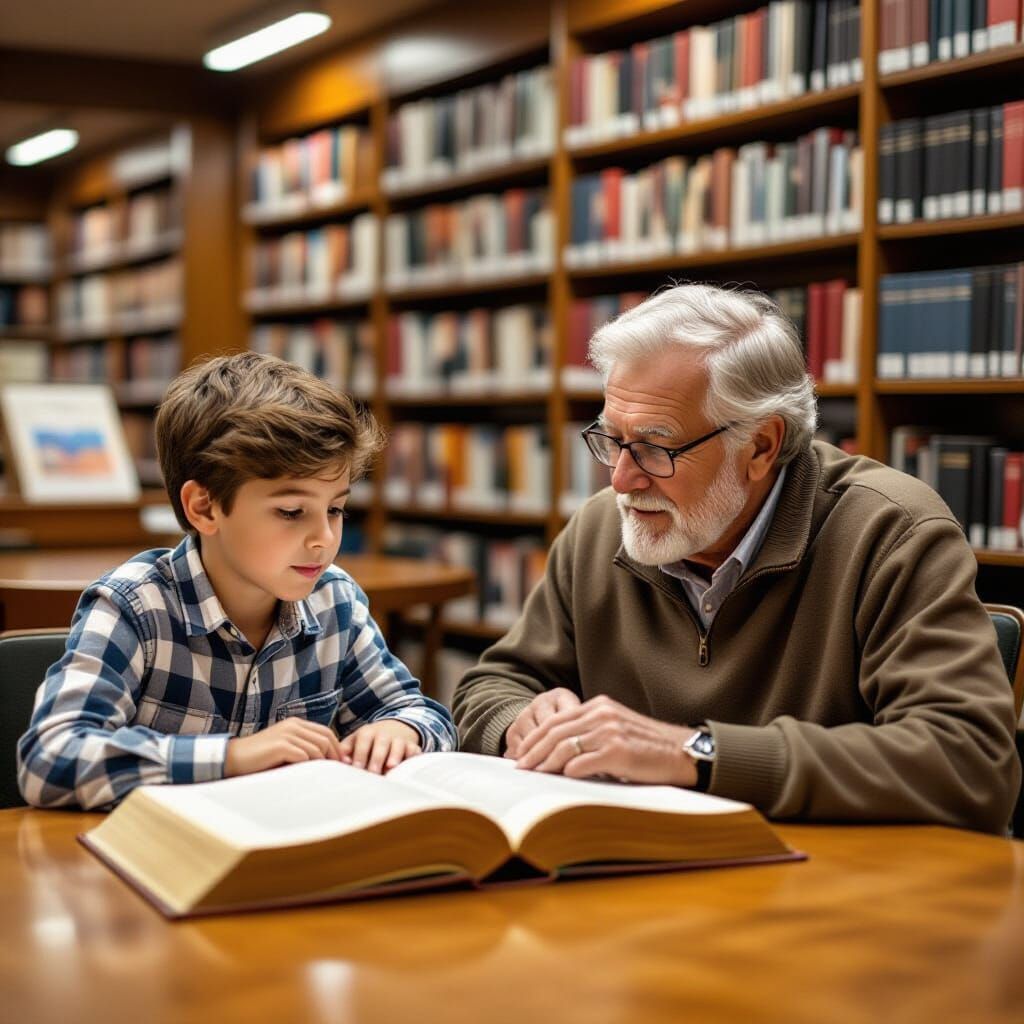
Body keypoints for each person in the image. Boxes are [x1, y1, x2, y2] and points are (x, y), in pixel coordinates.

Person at [453, 283, 1020, 834]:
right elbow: (493, 684)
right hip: (638, 879)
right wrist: (522, 722)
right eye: (611, 437)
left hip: (832, 895)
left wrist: (697, 753)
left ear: (761, 446)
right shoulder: (603, 528)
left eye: (655, 446)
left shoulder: (891, 532)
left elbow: (969, 762)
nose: (621, 478)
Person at [19, 352, 457, 810]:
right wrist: (231, 757)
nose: (324, 539)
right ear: (204, 508)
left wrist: (401, 730)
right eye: (291, 512)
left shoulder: (335, 601)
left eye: (335, 509)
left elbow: (422, 713)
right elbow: (49, 758)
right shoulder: (135, 605)